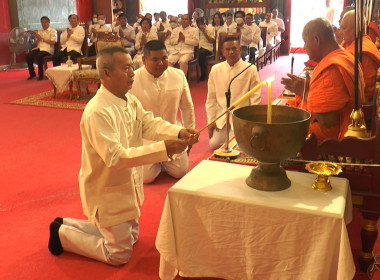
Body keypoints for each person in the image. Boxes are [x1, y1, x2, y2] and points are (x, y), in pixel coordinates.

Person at [48, 46, 199, 265]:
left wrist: (178, 131)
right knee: (119, 255)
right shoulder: (97, 110)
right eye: (127, 68)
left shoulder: (129, 99)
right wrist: (164, 149)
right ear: (106, 74)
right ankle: (62, 235)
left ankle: (68, 223)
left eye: (132, 67)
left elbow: (148, 123)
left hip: (128, 188)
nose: (132, 73)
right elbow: (115, 158)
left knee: (132, 238)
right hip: (106, 191)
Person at [281, 17, 365, 143]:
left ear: (316, 40)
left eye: (305, 42)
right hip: (349, 125)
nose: (304, 47)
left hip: (335, 138)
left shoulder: (332, 68)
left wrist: (305, 92)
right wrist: (310, 88)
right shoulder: (346, 56)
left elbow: (327, 121)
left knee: (283, 129)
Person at [129, 40, 195, 183]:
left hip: (173, 133)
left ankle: (164, 160)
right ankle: (158, 161)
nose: (161, 63)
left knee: (180, 172)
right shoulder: (133, 80)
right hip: (146, 138)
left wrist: (189, 135)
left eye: (164, 58)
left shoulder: (178, 75)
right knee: (146, 178)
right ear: (144, 60)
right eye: (155, 59)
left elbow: (187, 107)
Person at [206, 37, 261, 149]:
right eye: (228, 49)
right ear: (223, 52)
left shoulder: (250, 69)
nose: (231, 52)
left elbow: (256, 98)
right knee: (213, 144)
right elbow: (211, 98)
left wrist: (252, 122)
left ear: (240, 50)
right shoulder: (216, 69)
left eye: (234, 49)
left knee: (235, 146)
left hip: (242, 118)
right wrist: (211, 121)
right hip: (222, 118)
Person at [341, 10, 380, 103]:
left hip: (361, 106)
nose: (341, 32)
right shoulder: (362, 42)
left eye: (343, 28)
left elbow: (365, 94)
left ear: (355, 30)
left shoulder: (360, 52)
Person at [26, 16, 56, 80]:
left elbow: (53, 42)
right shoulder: (40, 31)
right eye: (42, 22)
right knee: (28, 55)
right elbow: (37, 44)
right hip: (39, 48)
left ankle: (41, 74)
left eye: (45, 22)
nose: (43, 24)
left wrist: (42, 39)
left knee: (39, 56)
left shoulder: (52, 30)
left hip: (48, 49)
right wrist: (37, 39)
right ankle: (32, 74)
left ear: (49, 23)